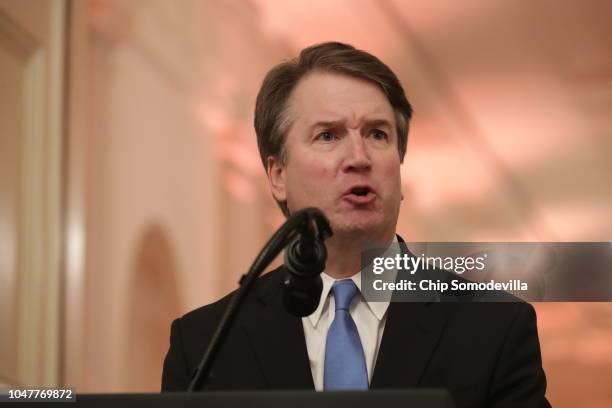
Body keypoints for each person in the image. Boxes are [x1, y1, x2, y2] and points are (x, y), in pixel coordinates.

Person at [162, 42, 551, 408]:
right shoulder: (204, 344)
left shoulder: (492, 328)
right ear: (277, 174)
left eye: (377, 134)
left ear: (399, 164)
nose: (358, 157)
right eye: (328, 135)